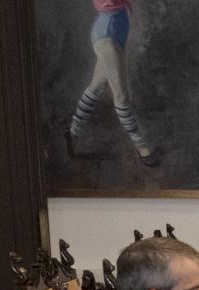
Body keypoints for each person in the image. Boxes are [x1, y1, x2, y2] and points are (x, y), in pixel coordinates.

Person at [66, 0, 156, 166]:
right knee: (121, 95)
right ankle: (141, 146)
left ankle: (73, 133)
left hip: (117, 29)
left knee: (97, 87)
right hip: (107, 35)